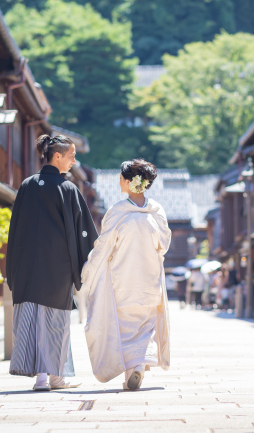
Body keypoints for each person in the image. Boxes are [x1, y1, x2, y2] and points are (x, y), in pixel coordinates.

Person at [5, 135, 99, 391]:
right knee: (55, 322)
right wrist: (87, 263)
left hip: (26, 267)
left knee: (32, 320)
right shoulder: (67, 189)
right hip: (57, 268)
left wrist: (12, 267)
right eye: (71, 156)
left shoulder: (27, 185)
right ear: (57, 156)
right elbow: (84, 232)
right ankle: (52, 377)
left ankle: (44, 378)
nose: (73, 161)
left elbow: (15, 229)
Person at [82, 159, 171, 391]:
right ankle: (138, 365)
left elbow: (103, 246)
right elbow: (164, 244)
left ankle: (133, 368)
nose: (119, 181)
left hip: (122, 279)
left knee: (123, 327)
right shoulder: (156, 211)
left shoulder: (118, 212)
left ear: (130, 181)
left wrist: (89, 269)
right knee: (145, 325)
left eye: (121, 178)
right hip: (149, 280)